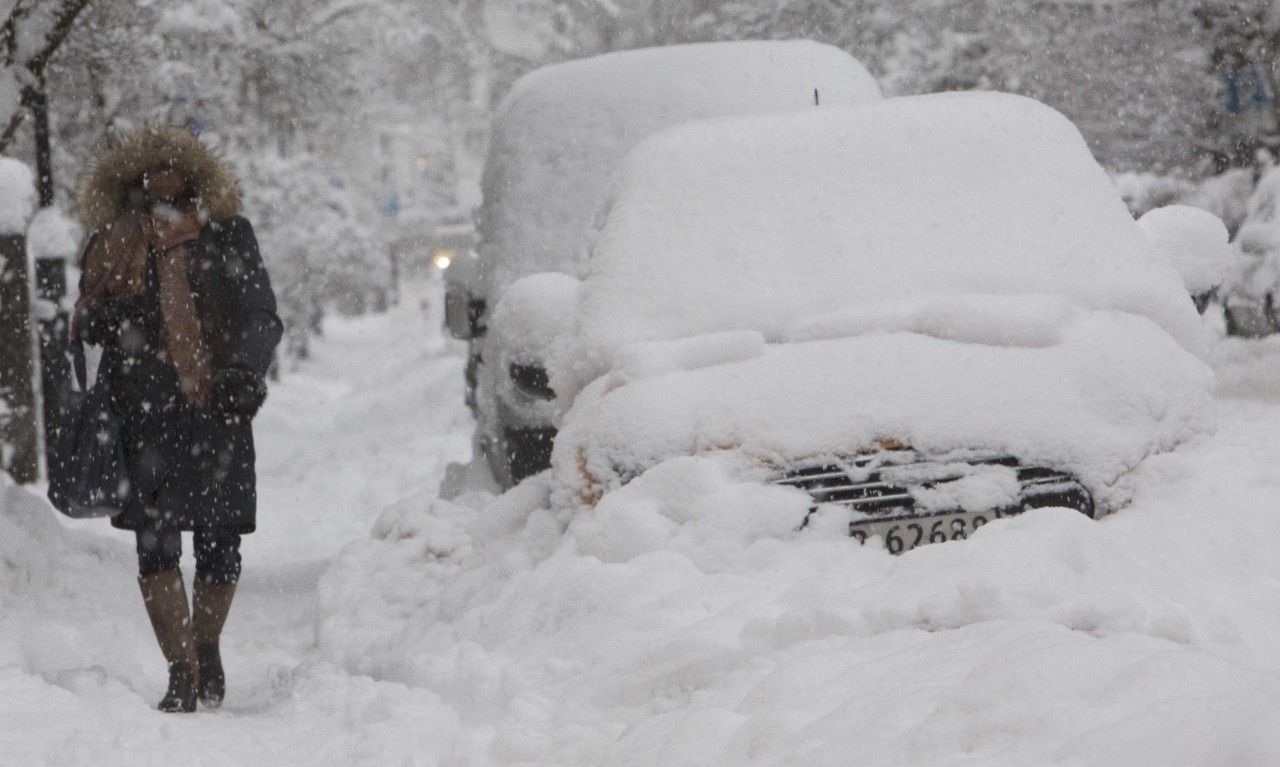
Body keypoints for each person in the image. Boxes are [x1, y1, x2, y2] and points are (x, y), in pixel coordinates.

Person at [73, 125, 283, 713]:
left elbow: (260, 313)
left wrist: (244, 371)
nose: (164, 179)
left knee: (220, 544)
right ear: (136, 181)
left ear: (193, 178)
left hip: (215, 408)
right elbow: (84, 318)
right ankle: (180, 669)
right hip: (143, 417)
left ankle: (207, 643)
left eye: (174, 168)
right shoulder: (114, 240)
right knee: (155, 545)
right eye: (153, 170)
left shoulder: (227, 235)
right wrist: (112, 320)